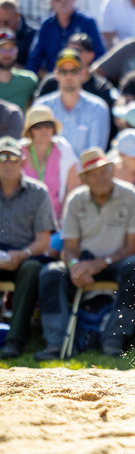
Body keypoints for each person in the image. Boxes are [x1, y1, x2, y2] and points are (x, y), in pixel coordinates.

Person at [35, 148, 135, 360]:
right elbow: (70, 247)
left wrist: (101, 263)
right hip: (84, 262)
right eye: (93, 174)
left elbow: (134, 246)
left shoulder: (131, 195)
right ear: (84, 179)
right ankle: (56, 343)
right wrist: (74, 267)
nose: (100, 178)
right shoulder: (75, 199)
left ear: (112, 171)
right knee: (51, 272)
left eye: (104, 171)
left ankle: (114, 339)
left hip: (117, 261)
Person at [0, 136, 56, 359]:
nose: (8, 163)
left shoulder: (38, 192)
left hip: (25, 256)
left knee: (32, 268)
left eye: (13, 158)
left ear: (23, 162)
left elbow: (44, 241)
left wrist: (22, 254)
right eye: (2, 158)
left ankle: (15, 340)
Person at [35, 49, 110, 156]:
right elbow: (36, 149)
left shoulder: (98, 108)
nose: (68, 76)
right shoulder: (41, 107)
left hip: (84, 167)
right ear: (56, 73)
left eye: (74, 71)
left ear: (82, 73)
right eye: (63, 71)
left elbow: (95, 156)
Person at [26, 0, 105, 74]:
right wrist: (31, 78)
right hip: (54, 77)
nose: (62, 0)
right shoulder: (47, 25)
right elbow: (35, 57)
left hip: (81, 77)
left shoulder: (88, 23)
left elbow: (99, 55)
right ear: (51, 2)